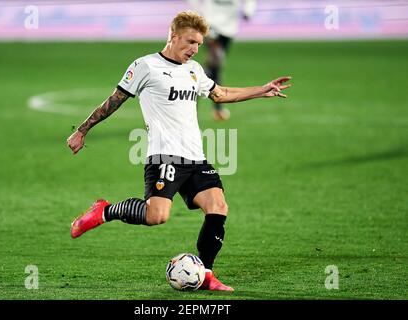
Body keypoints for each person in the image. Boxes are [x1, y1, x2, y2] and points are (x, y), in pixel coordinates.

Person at [67, 11, 291, 292]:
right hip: (165, 156)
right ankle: (105, 211)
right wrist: (83, 130)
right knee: (156, 216)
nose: (195, 49)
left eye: (198, 44)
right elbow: (114, 101)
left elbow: (220, 94)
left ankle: (206, 274)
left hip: (196, 157)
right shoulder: (145, 66)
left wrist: (262, 90)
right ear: (173, 36)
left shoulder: (194, 69)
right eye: (190, 42)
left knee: (218, 207)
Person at [189, 0, 257, 121]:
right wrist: (199, 14)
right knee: (215, 62)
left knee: (213, 68)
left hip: (228, 28)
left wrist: (248, 11)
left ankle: (199, 101)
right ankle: (215, 108)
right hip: (210, 25)